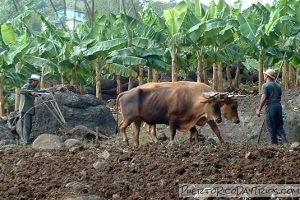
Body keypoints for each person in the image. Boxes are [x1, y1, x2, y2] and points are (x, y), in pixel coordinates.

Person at [256, 68, 288, 145]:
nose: (264, 76)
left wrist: (259, 109)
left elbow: (264, 98)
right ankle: (285, 143)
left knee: (271, 126)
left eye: (264, 75)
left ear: (267, 76)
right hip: (278, 106)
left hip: (271, 107)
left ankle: (274, 145)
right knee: (279, 126)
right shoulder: (278, 85)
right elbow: (279, 96)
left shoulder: (265, 85)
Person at [19, 74, 48, 144]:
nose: (38, 83)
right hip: (25, 109)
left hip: (30, 109)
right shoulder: (27, 86)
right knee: (26, 125)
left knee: (29, 125)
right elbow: (22, 91)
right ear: (33, 81)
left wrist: (44, 91)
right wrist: (30, 92)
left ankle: (26, 140)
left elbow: (38, 92)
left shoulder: (34, 88)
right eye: (37, 82)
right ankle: (25, 141)